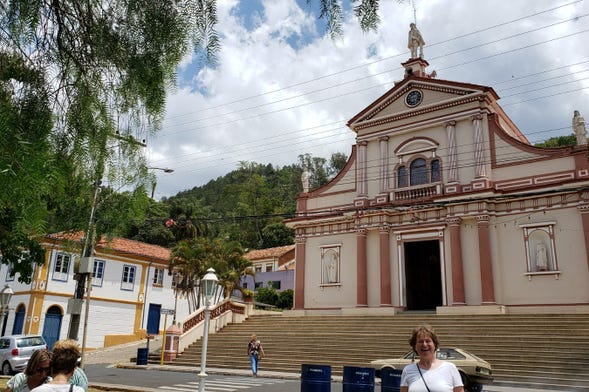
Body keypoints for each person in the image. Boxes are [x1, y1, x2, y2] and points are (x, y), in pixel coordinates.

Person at [400, 324, 464, 392]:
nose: (424, 344)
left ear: (434, 344)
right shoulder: (407, 370)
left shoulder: (450, 368)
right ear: (415, 346)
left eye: (428, 341)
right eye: (420, 341)